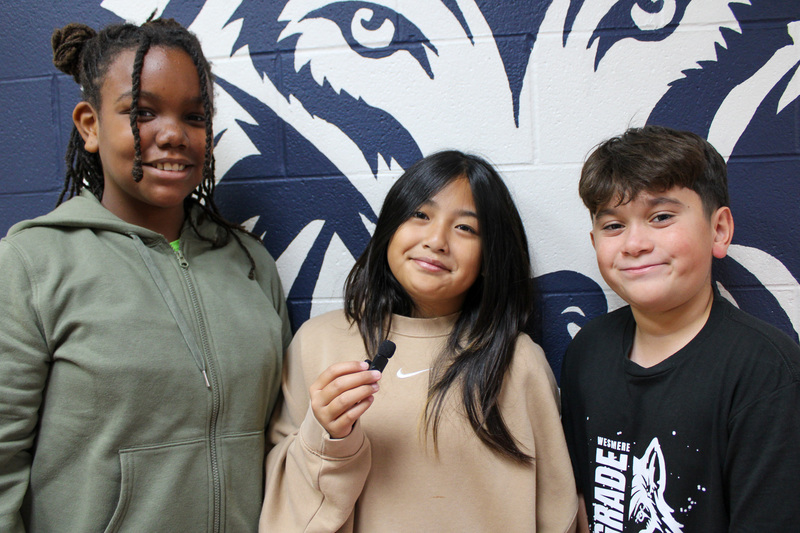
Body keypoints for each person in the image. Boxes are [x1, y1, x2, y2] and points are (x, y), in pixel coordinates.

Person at [0, 18, 291, 532]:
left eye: (195, 116)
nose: (174, 134)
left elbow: (282, 439)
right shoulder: (32, 263)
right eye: (142, 112)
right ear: (90, 125)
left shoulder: (250, 263)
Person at [260, 150, 578, 532]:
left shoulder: (518, 360)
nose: (437, 240)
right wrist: (328, 435)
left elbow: (558, 510)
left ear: (490, 257)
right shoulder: (317, 343)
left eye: (466, 228)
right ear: (391, 226)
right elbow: (284, 501)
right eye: (421, 215)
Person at [560, 125, 800, 532]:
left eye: (661, 217)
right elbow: (583, 501)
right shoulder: (588, 351)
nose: (634, 243)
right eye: (613, 226)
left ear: (719, 230)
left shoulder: (766, 372)